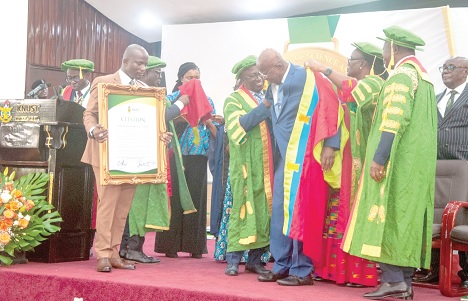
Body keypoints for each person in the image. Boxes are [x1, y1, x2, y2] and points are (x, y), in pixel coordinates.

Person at [341, 26, 437, 300]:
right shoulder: (424, 77)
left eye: (385, 49)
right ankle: (405, 283)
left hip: (397, 161)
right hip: (415, 165)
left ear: (395, 48)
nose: (383, 56)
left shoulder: (402, 76)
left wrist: (379, 157)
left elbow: (394, 119)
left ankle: (393, 280)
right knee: (405, 218)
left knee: (390, 215)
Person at [303, 42, 388, 287]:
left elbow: (354, 89)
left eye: (351, 60)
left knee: (354, 215)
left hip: (363, 160)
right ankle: (331, 270)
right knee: (336, 212)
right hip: (345, 158)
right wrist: (331, 144)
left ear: (363, 64)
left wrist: (325, 69)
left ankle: (358, 274)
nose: (348, 64)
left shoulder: (374, 83)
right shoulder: (346, 86)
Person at [255, 49, 341, 286]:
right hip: (285, 158)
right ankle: (281, 265)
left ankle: (302, 270)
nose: (263, 78)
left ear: (279, 66)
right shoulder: (271, 84)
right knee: (282, 211)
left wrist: (331, 146)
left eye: (265, 73)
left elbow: (332, 106)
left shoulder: (306, 77)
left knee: (303, 211)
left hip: (306, 158)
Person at [82, 44, 157, 272]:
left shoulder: (144, 88)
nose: (143, 68)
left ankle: (114, 252)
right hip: (105, 154)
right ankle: (102, 254)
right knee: (108, 204)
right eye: (139, 63)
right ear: (125, 61)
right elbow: (89, 113)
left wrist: (159, 135)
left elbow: (149, 122)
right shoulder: (103, 82)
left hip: (131, 156)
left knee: (122, 207)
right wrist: (93, 130)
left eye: (145, 64)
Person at [118, 55, 190, 263]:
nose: (159, 77)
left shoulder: (154, 93)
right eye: (156, 73)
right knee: (137, 204)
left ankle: (127, 247)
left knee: (138, 204)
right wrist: (179, 105)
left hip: (150, 156)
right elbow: (155, 117)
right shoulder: (138, 92)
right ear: (145, 72)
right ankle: (132, 248)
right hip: (140, 158)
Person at [414, 56, 468, 289]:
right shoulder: (436, 99)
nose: (445, 71)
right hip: (436, 166)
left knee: (463, 216)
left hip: (464, 164)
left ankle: (466, 273)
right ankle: (434, 269)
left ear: (465, 71)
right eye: (443, 68)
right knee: (434, 214)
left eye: (451, 67)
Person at [154, 62, 218, 259]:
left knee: (196, 199)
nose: (194, 81)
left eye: (197, 77)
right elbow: (163, 122)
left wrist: (207, 119)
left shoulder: (207, 100)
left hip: (198, 155)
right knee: (174, 199)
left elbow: (214, 130)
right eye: (190, 77)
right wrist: (186, 114)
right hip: (175, 155)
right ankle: (170, 245)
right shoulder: (171, 99)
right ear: (181, 79)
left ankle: (195, 246)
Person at [222, 55, 273, 276]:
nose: (259, 78)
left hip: (267, 163)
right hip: (244, 164)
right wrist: (265, 105)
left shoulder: (269, 96)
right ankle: (233, 259)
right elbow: (240, 126)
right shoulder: (233, 99)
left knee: (263, 210)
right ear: (243, 78)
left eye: (261, 74)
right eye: (253, 75)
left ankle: (255, 260)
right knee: (241, 208)